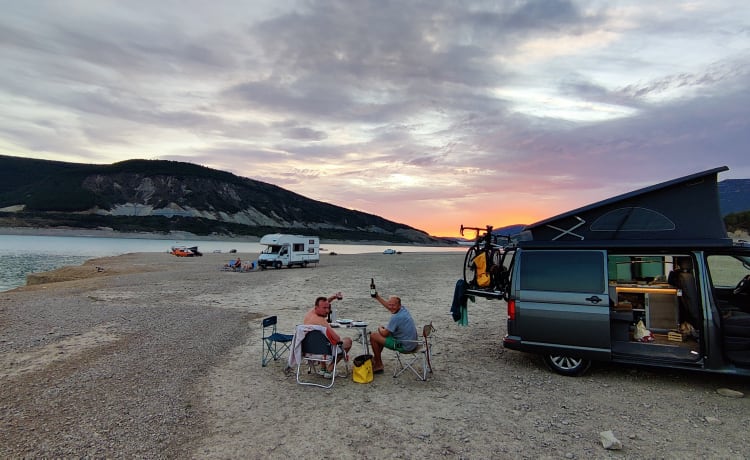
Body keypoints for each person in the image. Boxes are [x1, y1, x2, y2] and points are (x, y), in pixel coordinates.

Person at [303, 292, 352, 376]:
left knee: (320, 340)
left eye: (328, 308)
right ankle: (329, 369)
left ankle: (323, 368)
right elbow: (337, 339)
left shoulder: (310, 314)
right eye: (324, 308)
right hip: (322, 353)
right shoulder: (322, 321)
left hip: (308, 351)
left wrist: (333, 297)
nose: (327, 310)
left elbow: (324, 304)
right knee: (347, 341)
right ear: (316, 308)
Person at [369, 293, 418, 374]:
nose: (391, 307)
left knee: (373, 336)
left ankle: (378, 364)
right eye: (390, 305)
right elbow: (390, 307)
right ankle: (376, 360)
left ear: (399, 305)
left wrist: (380, 328)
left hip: (404, 346)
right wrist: (377, 297)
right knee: (381, 336)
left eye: (394, 305)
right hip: (413, 343)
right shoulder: (403, 310)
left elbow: (385, 334)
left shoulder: (396, 317)